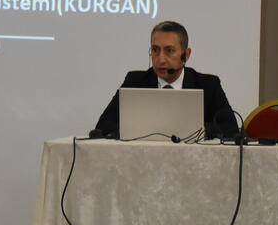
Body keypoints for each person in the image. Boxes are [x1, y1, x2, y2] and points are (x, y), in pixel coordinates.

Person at [94, 20, 238, 138]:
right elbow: (104, 126)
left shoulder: (208, 85)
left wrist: (193, 130)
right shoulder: (135, 81)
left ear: (186, 55)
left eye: (169, 51)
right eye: (155, 50)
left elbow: (230, 129)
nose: (161, 59)